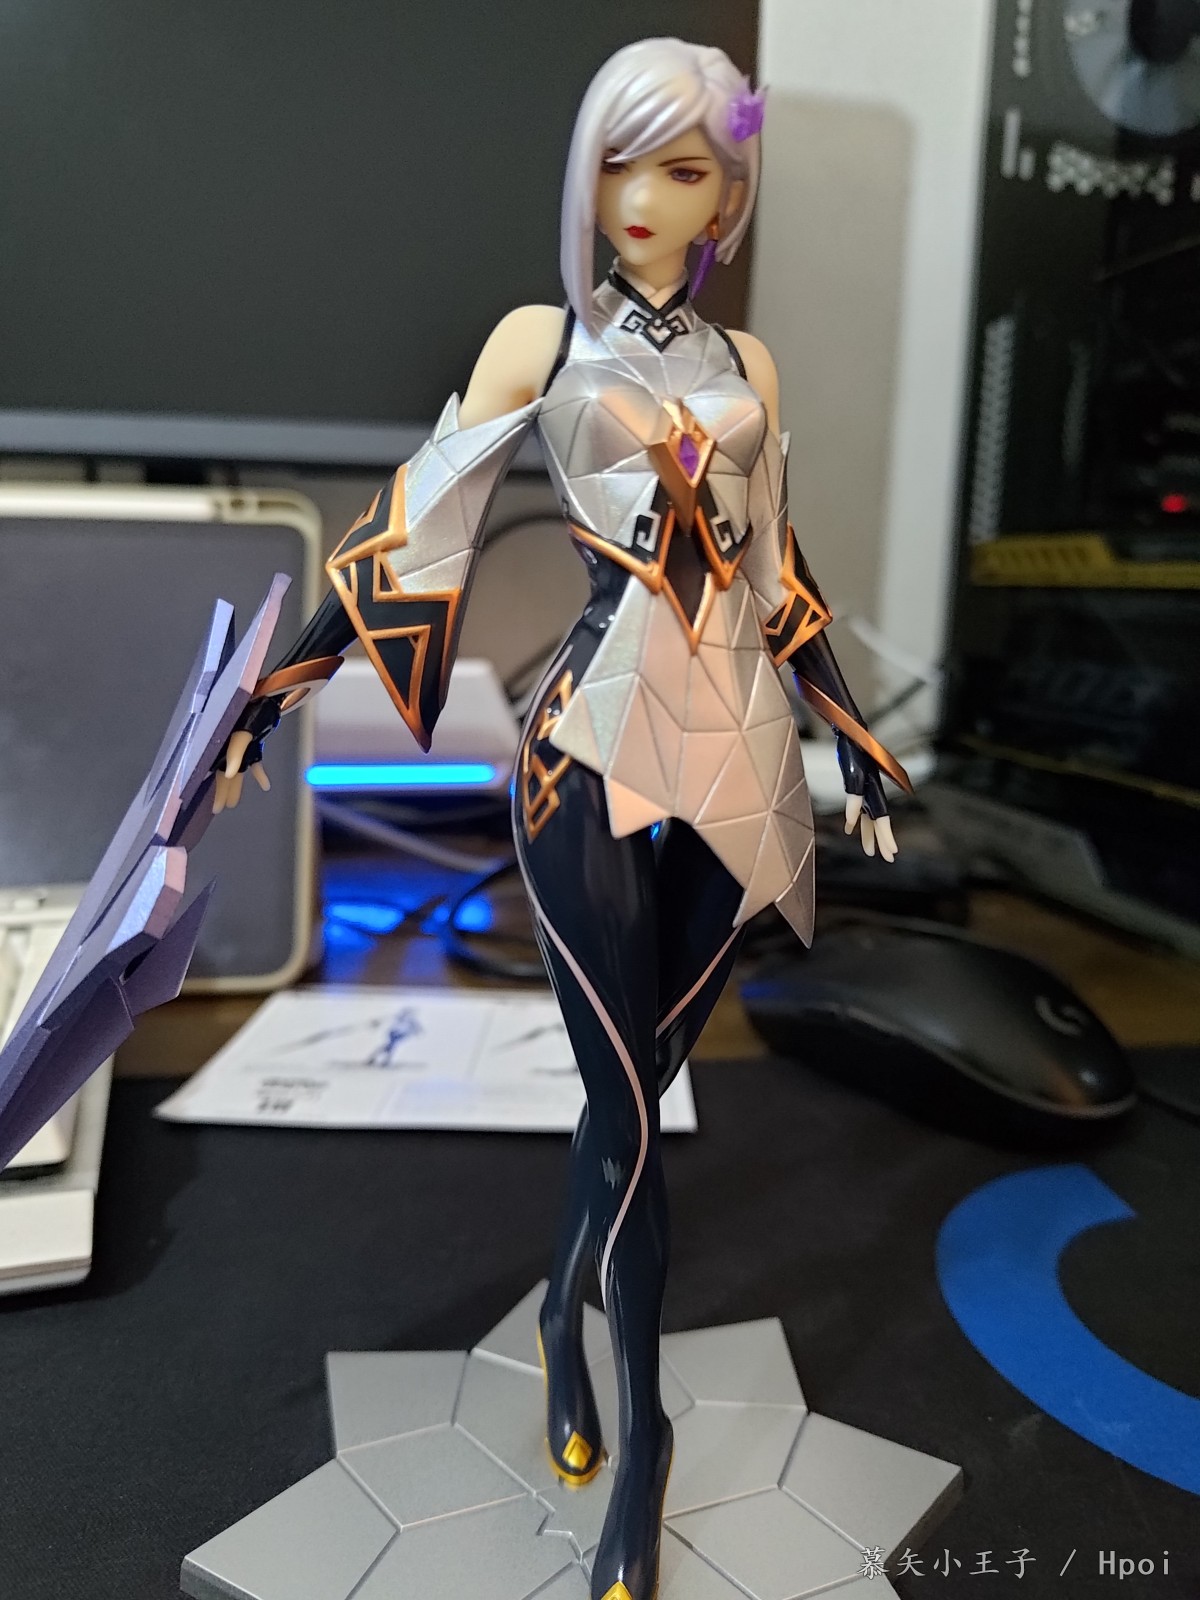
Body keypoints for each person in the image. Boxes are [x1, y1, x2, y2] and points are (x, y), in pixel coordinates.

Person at [218, 37, 911, 1600]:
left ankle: (553, 1307)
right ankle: (641, 1438)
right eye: (621, 160)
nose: (647, 196)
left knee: (634, 1090)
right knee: (636, 1116)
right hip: (586, 748)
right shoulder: (544, 339)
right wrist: (268, 698)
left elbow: (778, 577)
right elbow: (410, 532)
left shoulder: (750, 367)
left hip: (737, 760)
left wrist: (857, 738)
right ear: (585, 175)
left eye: (686, 167)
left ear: (729, 191)